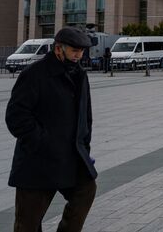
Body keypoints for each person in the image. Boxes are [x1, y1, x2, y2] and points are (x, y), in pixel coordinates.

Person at [6, 27, 98, 231]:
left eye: (82, 51)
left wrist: (83, 145)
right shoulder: (35, 74)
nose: (79, 56)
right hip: (38, 161)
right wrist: (41, 141)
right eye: (75, 51)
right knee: (27, 223)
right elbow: (16, 116)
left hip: (70, 157)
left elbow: (86, 115)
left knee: (86, 189)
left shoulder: (80, 75)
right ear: (59, 49)